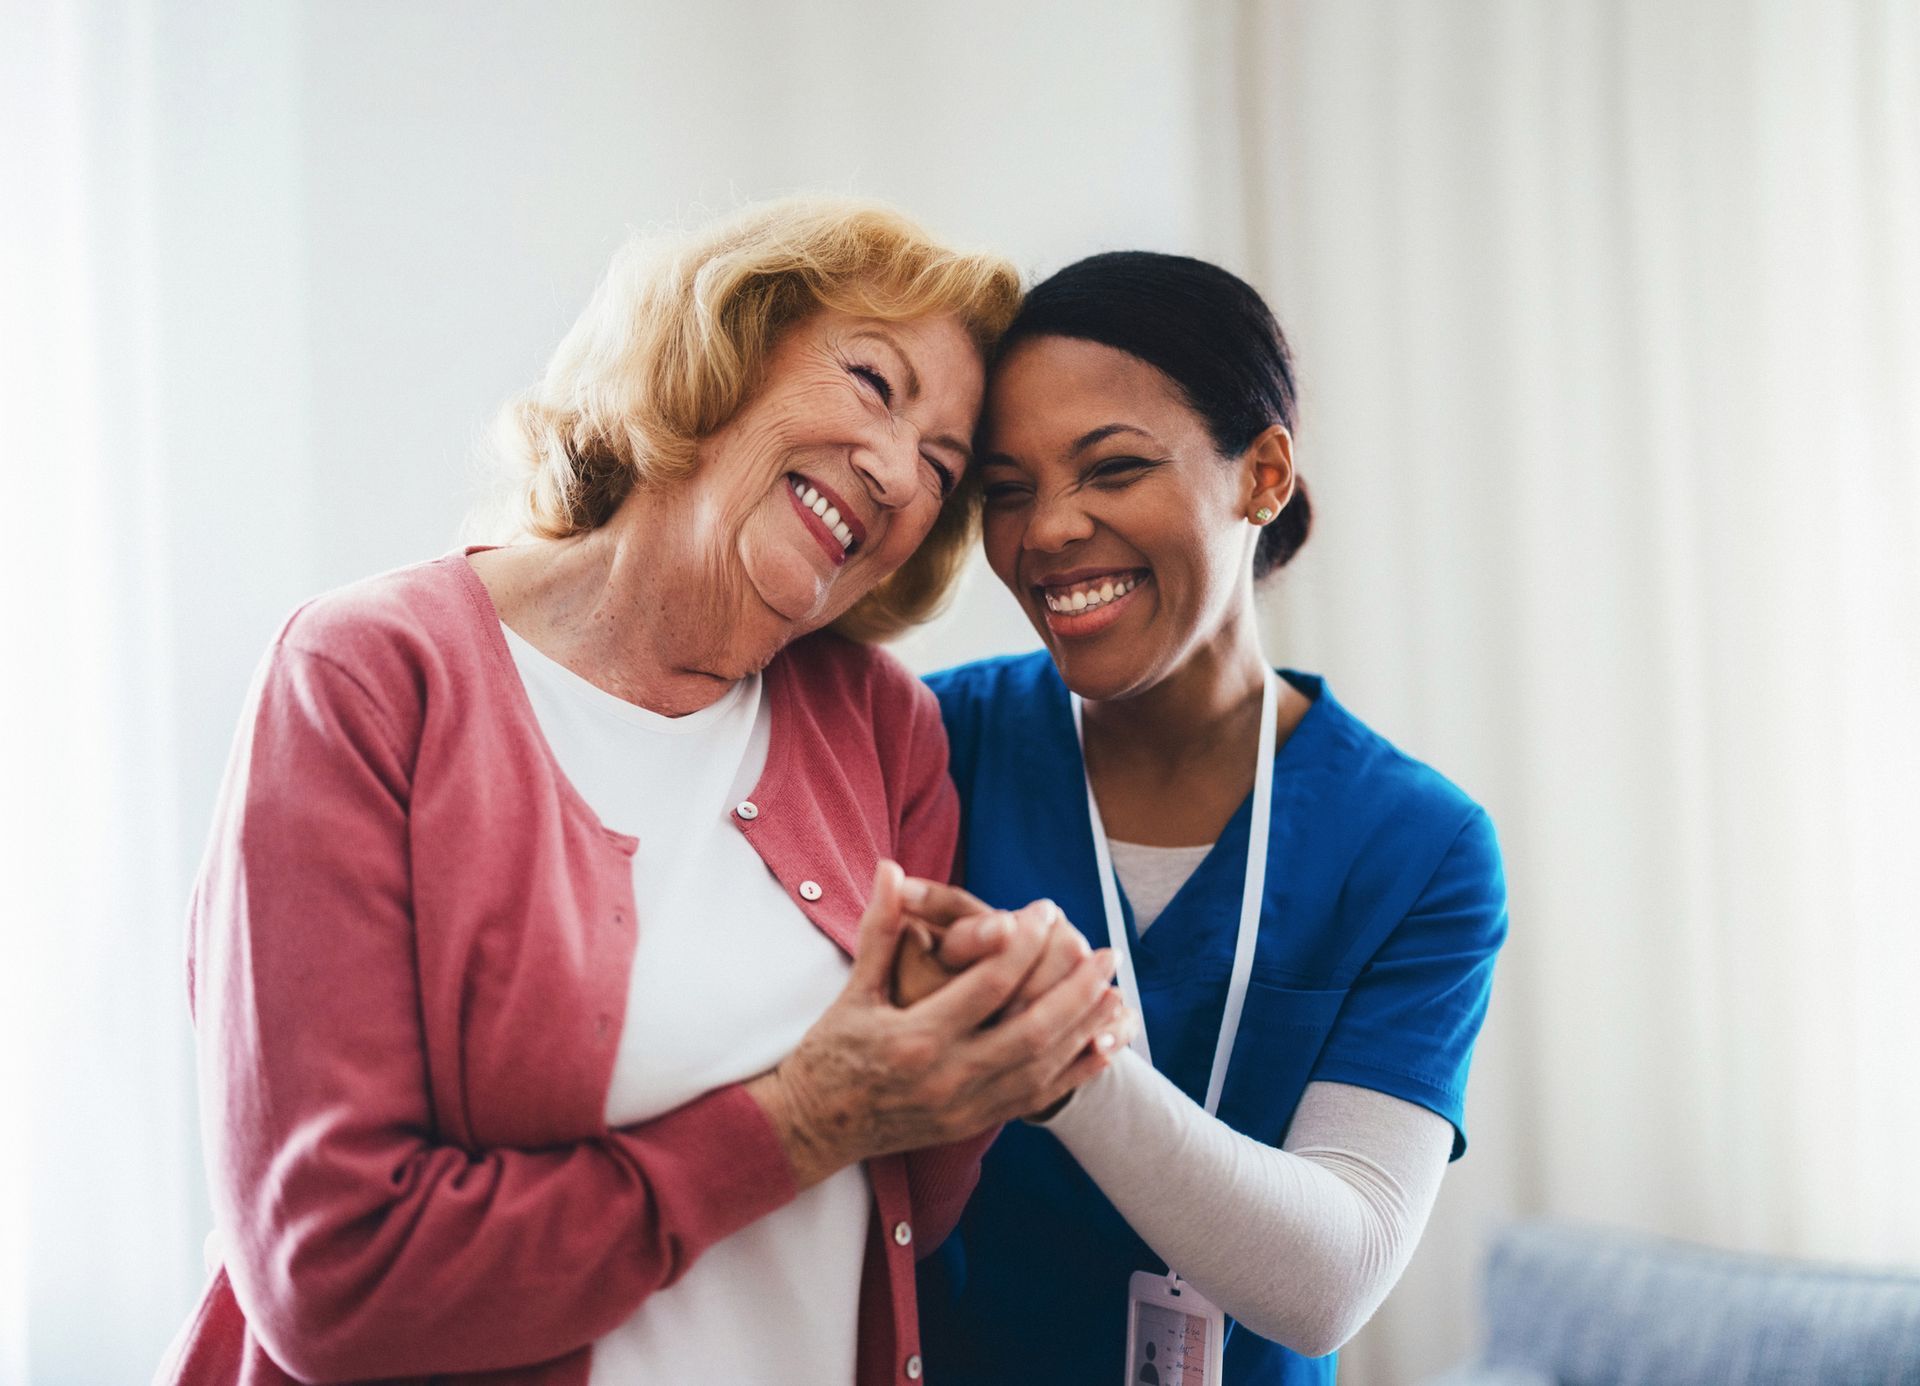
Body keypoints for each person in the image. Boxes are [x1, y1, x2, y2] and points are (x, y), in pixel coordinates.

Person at [158, 199, 1132, 1386]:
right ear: (723, 351)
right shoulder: (368, 675)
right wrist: (806, 1115)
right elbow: (337, 1278)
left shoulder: (883, 727)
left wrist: (984, 1047)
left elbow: (911, 1202)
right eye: (874, 383)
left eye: (940, 467)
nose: (893, 473)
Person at [908, 252, 1510, 1384]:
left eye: (1114, 467)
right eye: (1006, 487)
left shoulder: (1418, 847)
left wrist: (1064, 1060)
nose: (1047, 532)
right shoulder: (930, 749)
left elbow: (1330, 1280)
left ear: (1263, 473)